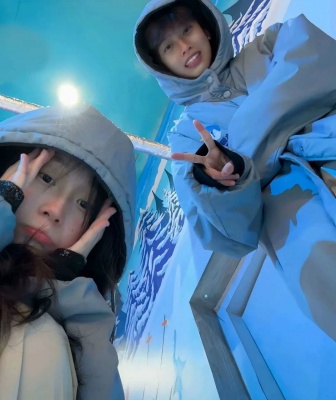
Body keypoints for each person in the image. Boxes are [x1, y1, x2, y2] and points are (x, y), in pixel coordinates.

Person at [134, 0, 336, 340]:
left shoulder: (271, 43)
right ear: (161, 65)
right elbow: (229, 237)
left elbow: (323, 65)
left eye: (187, 30)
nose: (184, 46)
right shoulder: (187, 140)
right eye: (168, 47)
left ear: (206, 28)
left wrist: (245, 153)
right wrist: (225, 185)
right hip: (302, 232)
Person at [0, 104, 136, 399]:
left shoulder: (64, 336)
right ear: (3, 169)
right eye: (46, 177)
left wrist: (62, 287)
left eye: (84, 204)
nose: (56, 210)